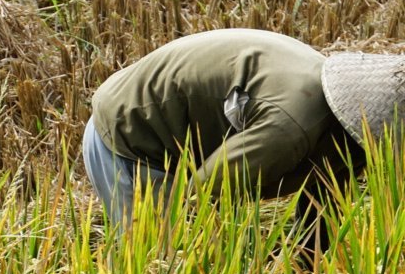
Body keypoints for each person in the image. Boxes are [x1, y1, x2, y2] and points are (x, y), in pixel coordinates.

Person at [83, 28, 405, 240]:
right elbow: (201, 195)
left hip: (181, 140)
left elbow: (323, 205)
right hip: (131, 134)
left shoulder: (351, 134)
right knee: (159, 268)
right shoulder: (288, 128)